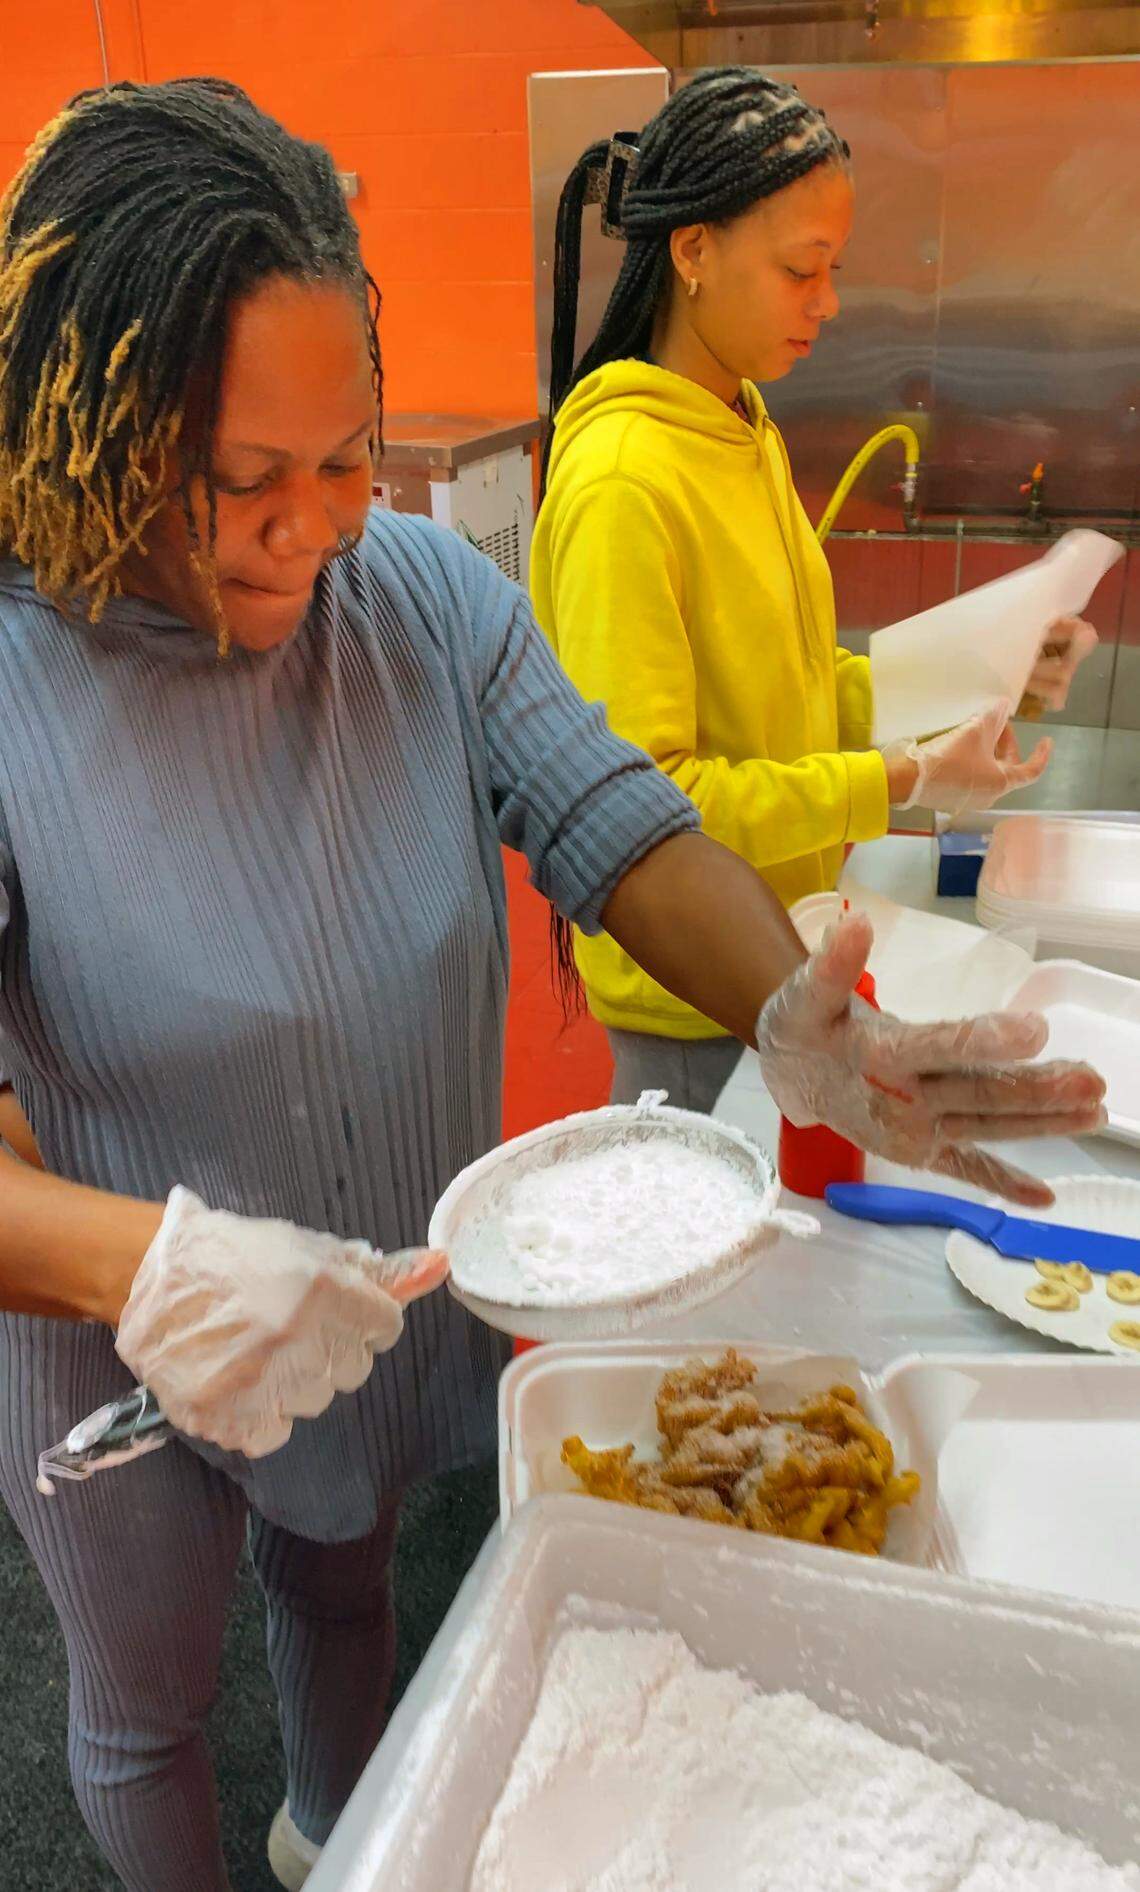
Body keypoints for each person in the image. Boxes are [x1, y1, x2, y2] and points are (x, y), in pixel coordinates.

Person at [0, 80, 1103, 1892]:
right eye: (243, 482)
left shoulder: (421, 603)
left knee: (349, 1569)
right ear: (97, 435)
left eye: (349, 454)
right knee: (145, 1693)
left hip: (379, 1261)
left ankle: (354, 1846)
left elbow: (621, 822)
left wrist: (785, 1007)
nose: (319, 526)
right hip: (110, 1313)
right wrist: (162, 1267)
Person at [532, 68, 1099, 1112]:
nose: (830, 302)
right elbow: (658, 811)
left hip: (788, 956)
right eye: (803, 268)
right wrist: (894, 781)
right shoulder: (623, 482)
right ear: (692, 250)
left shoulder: (739, 424)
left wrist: (988, 676)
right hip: (698, 1007)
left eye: (833, 267)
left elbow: (788, 689)